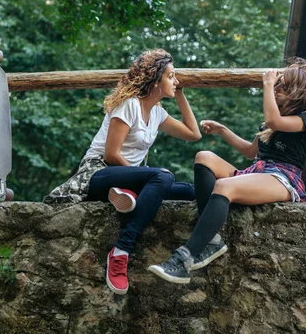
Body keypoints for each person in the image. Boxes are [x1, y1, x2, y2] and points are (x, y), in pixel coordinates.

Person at [147, 57, 306, 284]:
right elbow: (251, 152)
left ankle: (184, 260)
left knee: (223, 186)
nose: (277, 88)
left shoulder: (305, 119)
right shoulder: (270, 125)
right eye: (277, 85)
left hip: (281, 179)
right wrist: (222, 131)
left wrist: (268, 84)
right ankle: (210, 239)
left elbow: (273, 118)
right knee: (204, 157)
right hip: (258, 171)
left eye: (282, 86)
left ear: (296, 92)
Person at [44, 49, 201, 295]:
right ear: (155, 79)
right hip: (98, 174)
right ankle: (121, 251)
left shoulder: (158, 112)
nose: (176, 80)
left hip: (128, 178)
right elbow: (111, 154)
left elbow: (194, 134)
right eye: (171, 76)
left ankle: (130, 194)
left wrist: (180, 95)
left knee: (190, 192)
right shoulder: (129, 105)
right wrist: (140, 180)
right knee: (162, 176)